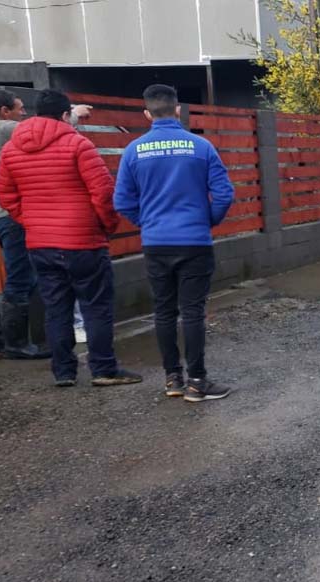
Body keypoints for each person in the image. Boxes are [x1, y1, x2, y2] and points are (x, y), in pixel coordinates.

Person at [0, 89, 142, 388]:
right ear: (65, 115)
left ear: (36, 113)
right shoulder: (79, 144)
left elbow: (6, 196)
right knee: (96, 306)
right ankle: (103, 369)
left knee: (56, 308)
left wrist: (31, 221)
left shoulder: (11, 150)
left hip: (41, 243)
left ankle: (63, 372)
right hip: (83, 241)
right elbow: (102, 193)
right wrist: (106, 225)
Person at [114, 84, 234, 402]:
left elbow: (122, 200)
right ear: (177, 109)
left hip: (156, 243)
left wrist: (148, 223)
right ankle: (197, 382)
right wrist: (207, 221)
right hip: (194, 241)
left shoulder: (134, 151)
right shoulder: (201, 147)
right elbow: (224, 193)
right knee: (192, 311)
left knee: (164, 311)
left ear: (147, 113)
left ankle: (173, 380)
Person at [0, 89, 90, 359]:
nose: (24, 112)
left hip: (3, 217)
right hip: (10, 217)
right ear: (4, 111)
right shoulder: (3, 129)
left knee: (23, 277)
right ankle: (14, 344)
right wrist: (73, 114)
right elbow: (42, 130)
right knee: (20, 278)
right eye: (19, 108)